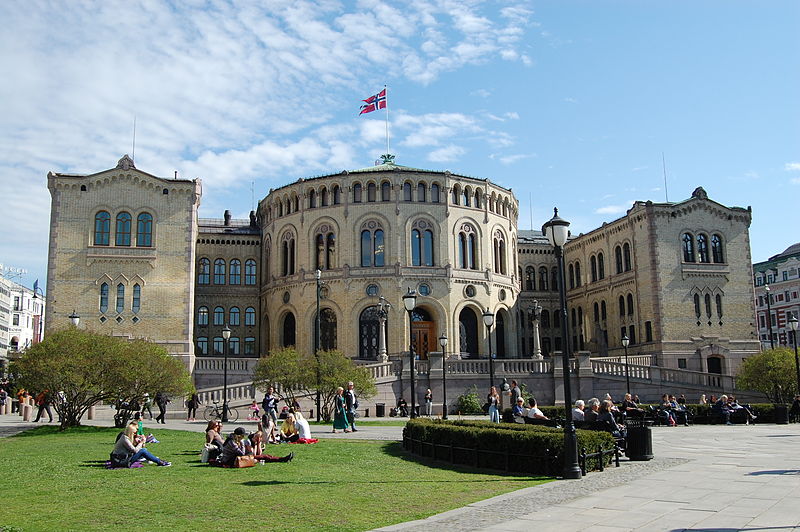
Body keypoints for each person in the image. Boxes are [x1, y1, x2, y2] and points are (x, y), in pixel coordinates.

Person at [220, 427, 293, 466]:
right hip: (230, 460)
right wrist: (242, 444)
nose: (244, 437)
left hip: (236, 458)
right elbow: (242, 453)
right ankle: (282, 459)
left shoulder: (233, 440)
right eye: (243, 435)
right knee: (262, 457)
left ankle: (282, 459)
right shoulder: (232, 442)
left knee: (263, 457)